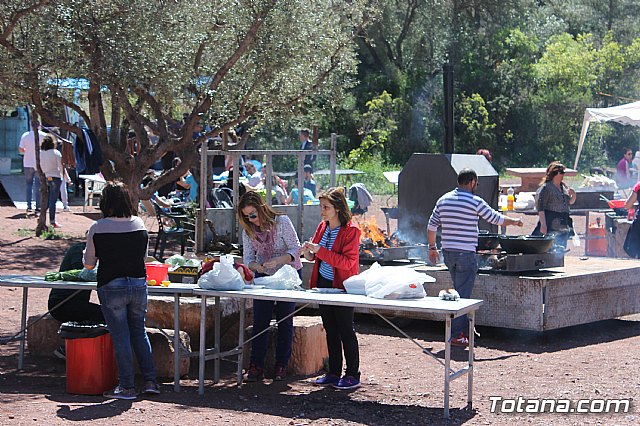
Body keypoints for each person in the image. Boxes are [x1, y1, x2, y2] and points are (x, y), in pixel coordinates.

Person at [427, 168, 523, 347]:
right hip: (465, 253)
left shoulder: (443, 200)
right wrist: (515, 221)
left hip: (448, 253)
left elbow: (431, 226)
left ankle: (462, 331)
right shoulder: (474, 201)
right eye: (476, 183)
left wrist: (432, 248)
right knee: (462, 296)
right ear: (471, 182)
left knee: (458, 290)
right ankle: (456, 334)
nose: (475, 186)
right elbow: (495, 218)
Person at [83, 181, 159, 400]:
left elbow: (89, 264)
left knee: (121, 336)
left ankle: (126, 386)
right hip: (138, 284)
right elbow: (143, 258)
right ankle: (150, 381)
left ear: (105, 202)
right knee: (139, 331)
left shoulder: (98, 227)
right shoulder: (139, 224)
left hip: (111, 285)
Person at [237, 191, 302, 382]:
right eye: (246, 216)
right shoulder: (248, 230)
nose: (251, 220)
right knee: (260, 321)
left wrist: (277, 261)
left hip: (287, 274)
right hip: (264, 277)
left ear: (262, 209)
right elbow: (248, 257)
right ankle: (256, 365)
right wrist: (256, 266)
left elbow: (295, 249)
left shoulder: (282, 222)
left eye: (253, 215)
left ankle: (281, 364)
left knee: (285, 319)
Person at [302, 187, 362, 390]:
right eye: (321, 207)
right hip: (323, 285)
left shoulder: (351, 230)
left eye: (326, 207)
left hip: (343, 287)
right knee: (330, 329)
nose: (322, 211)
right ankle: (334, 372)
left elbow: (347, 263)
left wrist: (321, 251)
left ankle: (353, 374)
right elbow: (314, 256)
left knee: (346, 330)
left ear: (337, 208)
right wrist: (308, 253)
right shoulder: (322, 227)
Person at [48, 242, 105, 360]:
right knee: (105, 314)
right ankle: (70, 350)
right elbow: (86, 273)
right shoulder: (79, 250)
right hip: (62, 303)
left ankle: (81, 351)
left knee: (107, 312)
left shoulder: (98, 252)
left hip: (77, 303)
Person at [532, 162, 577, 248]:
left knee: (560, 248)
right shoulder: (546, 188)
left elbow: (569, 202)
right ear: (554, 173)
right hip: (551, 221)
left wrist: (573, 195)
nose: (563, 175)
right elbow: (540, 207)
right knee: (546, 247)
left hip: (563, 221)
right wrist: (543, 224)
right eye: (561, 172)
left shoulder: (563, 187)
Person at [18, 123, 47, 213]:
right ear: (39, 125)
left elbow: (21, 149)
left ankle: (29, 205)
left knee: (29, 185)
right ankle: (38, 206)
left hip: (28, 163)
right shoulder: (44, 136)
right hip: (40, 163)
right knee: (39, 185)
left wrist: (28, 151)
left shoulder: (25, 135)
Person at [39, 135, 64, 228]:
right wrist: (65, 176)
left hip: (44, 177)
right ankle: (52, 221)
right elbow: (61, 166)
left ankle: (41, 217)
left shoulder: (40, 153)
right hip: (55, 177)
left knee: (45, 199)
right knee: (53, 200)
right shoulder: (56, 153)